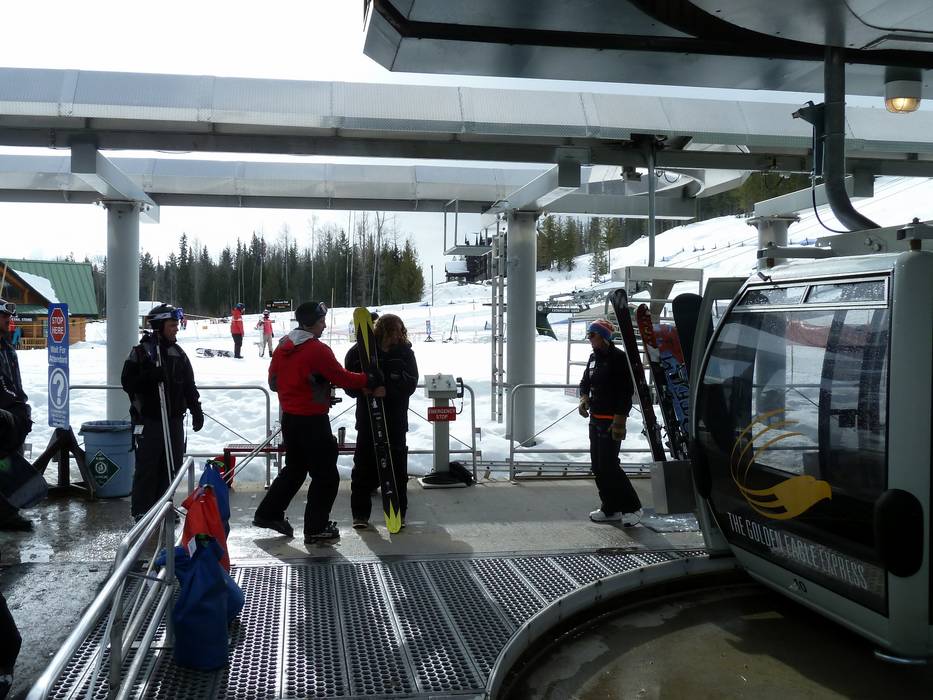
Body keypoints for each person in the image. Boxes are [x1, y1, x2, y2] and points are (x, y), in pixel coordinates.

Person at [253, 301, 383, 543]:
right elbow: (342, 377)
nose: (324, 326)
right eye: (321, 321)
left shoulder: (283, 345)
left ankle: (268, 513)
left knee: (295, 469)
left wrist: (309, 385)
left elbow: (274, 382)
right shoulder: (317, 349)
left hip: (290, 419)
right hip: (312, 420)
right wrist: (369, 378)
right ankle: (316, 527)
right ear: (311, 323)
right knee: (326, 476)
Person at [121, 304, 204, 521]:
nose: (176, 328)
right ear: (159, 326)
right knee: (147, 465)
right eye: (172, 325)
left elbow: (189, 385)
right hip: (149, 420)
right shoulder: (141, 353)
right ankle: (142, 510)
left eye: (177, 324)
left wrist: (196, 409)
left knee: (172, 465)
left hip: (173, 419)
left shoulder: (178, 354)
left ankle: (164, 505)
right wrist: (150, 376)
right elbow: (127, 383)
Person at [344, 313, 418, 529]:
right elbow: (347, 380)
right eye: (392, 331)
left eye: (399, 331)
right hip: (368, 418)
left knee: (397, 468)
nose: (396, 336)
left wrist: (389, 390)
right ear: (381, 331)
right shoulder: (359, 352)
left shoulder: (405, 353)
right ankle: (360, 514)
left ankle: (398, 512)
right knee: (363, 467)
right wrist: (361, 387)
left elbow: (411, 382)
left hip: (395, 419)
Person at [578, 318, 642, 526]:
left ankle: (633, 507)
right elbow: (585, 382)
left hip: (611, 420)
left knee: (610, 465)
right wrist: (584, 398)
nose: (589, 339)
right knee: (598, 466)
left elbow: (626, 391)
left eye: (592, 335)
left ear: (604, 337)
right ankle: (610, 507)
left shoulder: (619, 358)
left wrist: (620, 419)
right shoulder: (593, 358)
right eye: (588, 335)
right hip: (595, 419)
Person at [0, 300, 33, 533]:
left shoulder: (8, 348)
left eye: (9, 316)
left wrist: (22, 406)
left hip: (13, 417)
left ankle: (10, 510)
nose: (8, 320)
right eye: (3, 317)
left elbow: (14, 383)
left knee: (12, 465)